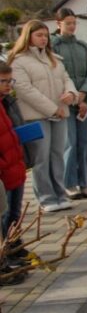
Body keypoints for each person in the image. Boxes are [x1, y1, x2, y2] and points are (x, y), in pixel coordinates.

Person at [8, 20, 78, 212]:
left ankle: (60, 193)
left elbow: (66, 79)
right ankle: (46, 197)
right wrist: (51, 108)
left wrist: (71, 94)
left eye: (45, 35)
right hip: (36, 116)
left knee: (57, 155)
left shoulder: (54, 59)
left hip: (60, 113)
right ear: (28, 36)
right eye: (39, 35)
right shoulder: (19, 61)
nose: (43, 39)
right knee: (41, 157)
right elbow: (25, 90)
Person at [51, 7, 87, 200]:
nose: (71, 27)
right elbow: (57, 75)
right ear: (58, 24)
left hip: (83, 101)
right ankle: (69, 183)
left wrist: (84, 94)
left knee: (84, 143)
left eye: (73, 23)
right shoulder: (54, 47)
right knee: (69, 143)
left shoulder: (82, 46)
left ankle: (84, 181)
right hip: (65, 101)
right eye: (67, 23)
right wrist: (71, 95)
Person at [0, 62, 28, 284]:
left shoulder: (6, 102)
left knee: (14, 212)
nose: (9, 85)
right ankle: (5, 255)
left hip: (14, 165)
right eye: (3, 81)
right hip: (5, 168)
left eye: (10, 81)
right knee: (5, 213)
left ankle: (13, 248)